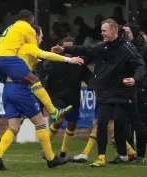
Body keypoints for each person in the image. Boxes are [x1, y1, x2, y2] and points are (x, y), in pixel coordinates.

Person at [51, 19, 147, 167]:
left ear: (114, 31)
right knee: (101, 123)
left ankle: (140, 154)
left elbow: (140, 66)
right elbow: (85, 49)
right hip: (106, 91)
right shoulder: (103, 46)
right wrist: (64, 50)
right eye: (101, 30)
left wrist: (134, 79)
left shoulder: (127, 47)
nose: (101, 33)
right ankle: (101, 157)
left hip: (124, 92)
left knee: (135, 124)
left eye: (104, 30)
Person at [0, 25, 84, 171]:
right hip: (21, 88)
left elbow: (40, 62)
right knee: (40, 123)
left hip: (8, 89)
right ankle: (51, 158)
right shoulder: (29, 46)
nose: (41, 38)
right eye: (40, 35)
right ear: (34, 36)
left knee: (14, 127)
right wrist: (69, 60)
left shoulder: (18, 50)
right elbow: (46, 55)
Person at [36, 36, 92, 158]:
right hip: (56, 96)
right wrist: (51, 56)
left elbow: (88, 76)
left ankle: (63, 153)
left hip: (73, 97)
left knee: (72, 124)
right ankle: (46, 149)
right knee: (58, 120)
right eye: (65, 48)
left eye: (70, 48)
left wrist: (94, 85)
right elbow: (43, 69)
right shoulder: (53, 61)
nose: (67, 51)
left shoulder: (79, 63)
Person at [123, 23, 147, 162]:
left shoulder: (143, 49)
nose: (125, 35)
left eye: (127, 32)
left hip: (140, 89)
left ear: (134, 33)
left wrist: (143, 85)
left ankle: (141, 154)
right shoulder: (122, 48)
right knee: (125, 123)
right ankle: (129, 153)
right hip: (125, 89)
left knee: (140, 122)